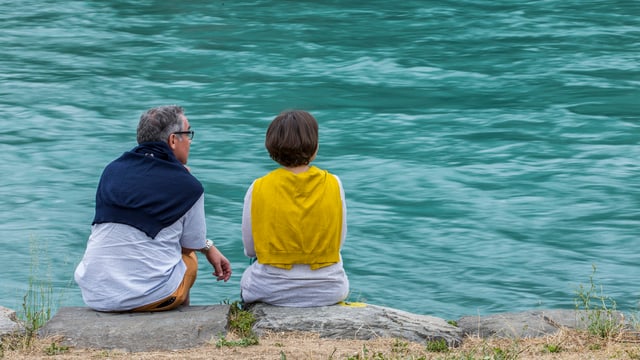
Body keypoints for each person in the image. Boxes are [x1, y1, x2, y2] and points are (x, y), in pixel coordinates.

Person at [74, 105, 232, 312]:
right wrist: (207, 247)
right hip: (147, 296)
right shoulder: (188, 187)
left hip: (96, 294)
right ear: (173, 140)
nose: (190, 142)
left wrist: (208, 246)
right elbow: (188, 246)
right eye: (188, 133)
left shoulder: (112, 171)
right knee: (188, 260)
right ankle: (180, 325)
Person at [240, 110, 349, 307]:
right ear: (314, 146)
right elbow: (338, 244)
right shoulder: (334, 183)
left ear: (271, 146)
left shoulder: (258, 187)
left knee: (251, 271)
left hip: (270, 289)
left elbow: (250, 249)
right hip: (329, 289)